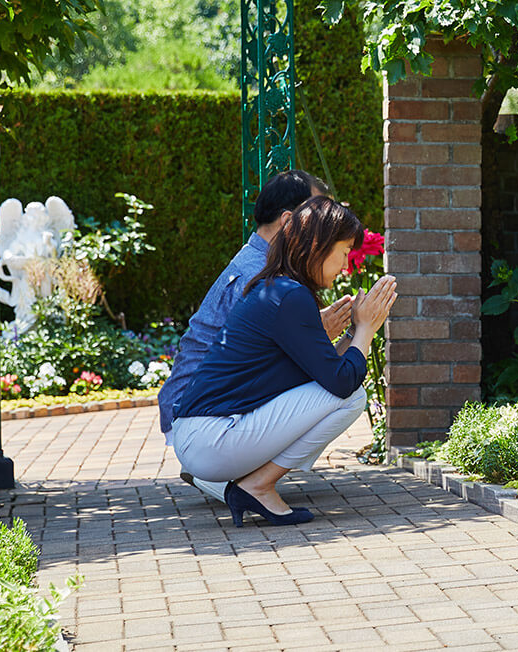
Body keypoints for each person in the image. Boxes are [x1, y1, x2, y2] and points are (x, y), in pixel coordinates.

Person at [169, 196, 398, 526]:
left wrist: (352, 333)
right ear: (318, 244)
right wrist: (366, 328)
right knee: (353, 397)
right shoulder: (289, 296)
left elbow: (325, 374)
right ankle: (257, 484)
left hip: (203, 436)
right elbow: (342, 383)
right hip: (210, 439)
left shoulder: (280, 289)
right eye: (345, 251)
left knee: (342, 392)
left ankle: (251, 483)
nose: (347, 265)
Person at [159, 170, 352, 501]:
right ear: (290, 221)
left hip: (201, 413)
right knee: (339, 392)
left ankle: (232, 474)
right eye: (318, 213)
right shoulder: (261, 276)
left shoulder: (262, 262)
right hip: (205, 419)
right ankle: (237, 477)